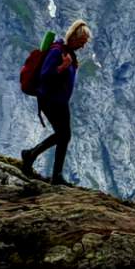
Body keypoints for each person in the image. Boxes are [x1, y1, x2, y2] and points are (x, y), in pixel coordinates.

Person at [19, 20, 90, 184]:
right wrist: (62, 67)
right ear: (73, 37)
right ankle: (34, 158)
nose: (83, 46)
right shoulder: (57, 51)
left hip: (59, 101)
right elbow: (45, 75)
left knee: (64, 136)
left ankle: (42, 163)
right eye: (81, 42)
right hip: (50, 100)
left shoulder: (69, 52)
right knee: (63, 135)